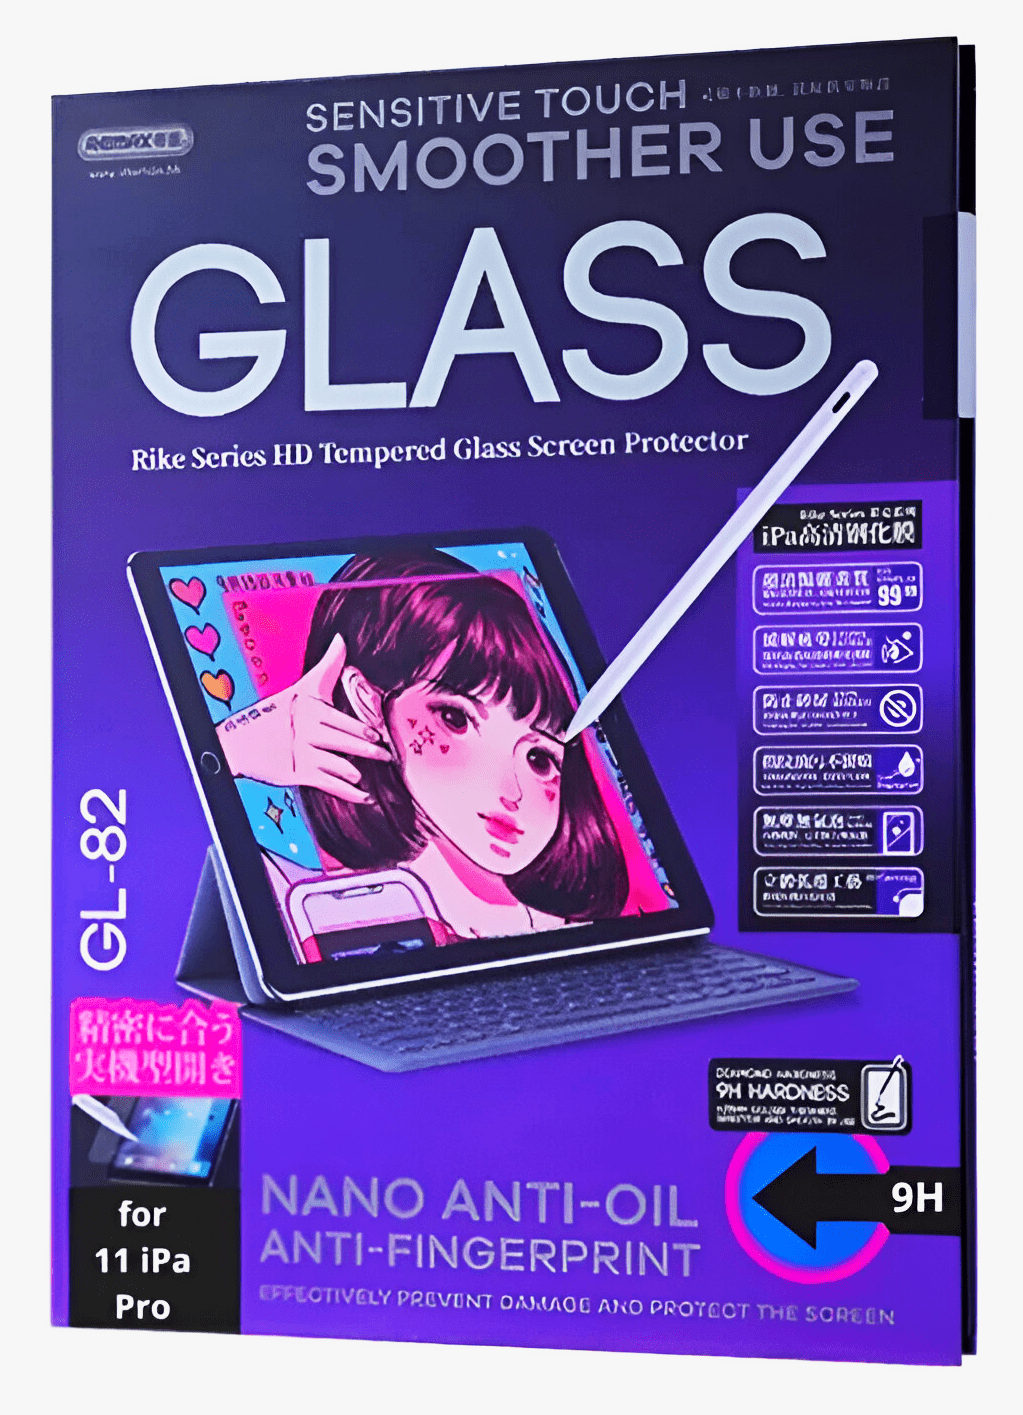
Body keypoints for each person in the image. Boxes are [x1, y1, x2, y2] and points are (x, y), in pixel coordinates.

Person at [217, 549, 628, 941]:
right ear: (368, 702)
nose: (512, 793)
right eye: (456, 719)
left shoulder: (575, 935)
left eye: (539, 758)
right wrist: (231, 746)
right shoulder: (311, 903)